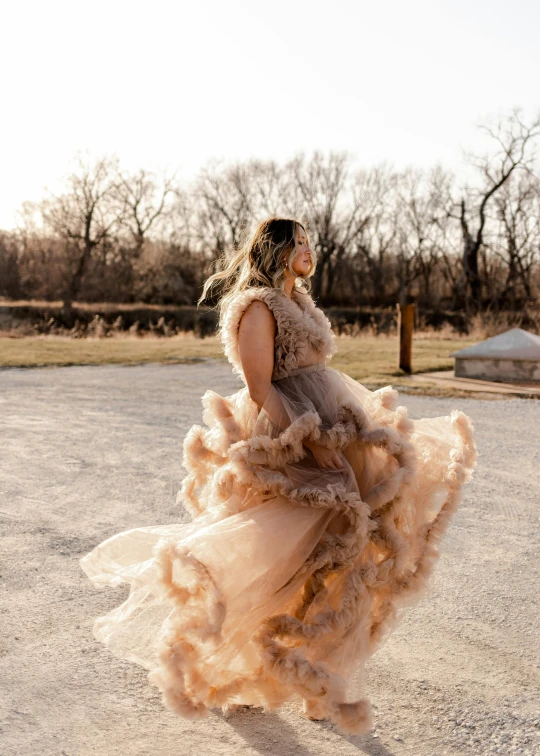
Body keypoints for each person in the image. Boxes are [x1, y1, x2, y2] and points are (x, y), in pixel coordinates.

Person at [80, 217, 477, 735]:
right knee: (278, 550)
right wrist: (311, 441)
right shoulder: (256, 306)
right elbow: (260, 384)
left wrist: (335, 434)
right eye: (300, 242)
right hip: (286, 434)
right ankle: (233, 657)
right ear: (277, 249)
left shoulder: (300, 303)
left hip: (330, 420)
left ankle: (319, 673)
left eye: (312, 242)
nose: (310, 249)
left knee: (344, 547)